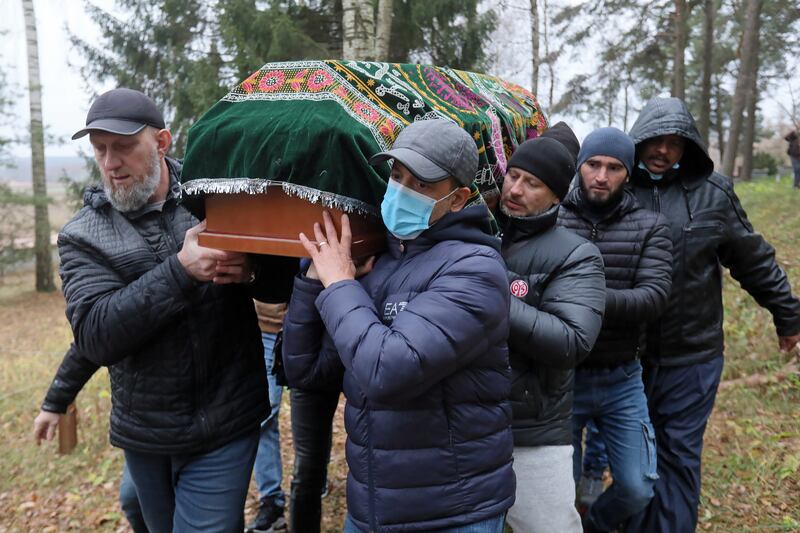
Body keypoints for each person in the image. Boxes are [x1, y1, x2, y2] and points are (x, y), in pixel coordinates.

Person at [59, 87, 294, 533]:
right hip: (146, 433)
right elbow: (95, 335)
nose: (110, 163)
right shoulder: (83, 236)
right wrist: (181, 271)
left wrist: (252, 272)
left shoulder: (219, 198)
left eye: (124, 147)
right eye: (100, 149)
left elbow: (284, 283)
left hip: (227, 417)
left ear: (162, 143)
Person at [282, 118, 516, 532]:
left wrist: (339, 284)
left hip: (451, 512)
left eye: (422, 183)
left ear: (458, 198)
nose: (402, 190)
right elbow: (309, 371)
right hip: (373, 507)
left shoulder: (475, 270)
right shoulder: (381, 261)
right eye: (396, 175)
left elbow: (387, 370)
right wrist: (311, 283)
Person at [625, 97, 800, 533]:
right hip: (626, 356)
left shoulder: (713, 193)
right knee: (636, 455)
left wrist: (789, 317)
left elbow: (752, 260)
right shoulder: (615, 187)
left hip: (694, 355)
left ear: (690, 148)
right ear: (638, 138)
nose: (662, 150)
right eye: (654, 140)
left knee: (679, 453)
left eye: (674, 143)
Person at [558, 127, 673, 532]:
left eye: (613, 167)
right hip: (561, 378)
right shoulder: (553, 218)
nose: (601, 176)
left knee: (638, 486)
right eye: (593, 165)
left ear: (629, 173)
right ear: (580, 166)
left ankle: (596, 526)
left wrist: (584, 295)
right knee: (559, 489)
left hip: (621, 378)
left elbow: (654, 297)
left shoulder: (651, 226)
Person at [496, 134, 605, 533]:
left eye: (533, 183)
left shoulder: (576, 255)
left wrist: (494, 297)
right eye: (514, 175)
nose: (516, 189)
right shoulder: (478, 234)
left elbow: (571, 341)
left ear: (557, 197)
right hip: (464, 423)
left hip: (532, 432)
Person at [33, 345, 147, 533]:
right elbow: (94, 342)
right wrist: (54, 402)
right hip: (145, 430)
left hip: (207, 429)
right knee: (133, 500)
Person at [246, 301, 289, 533]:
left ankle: (313, 479)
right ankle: (271, 501)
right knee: (264, 415)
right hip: (264, 327)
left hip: (312, 322)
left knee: (314, 409)